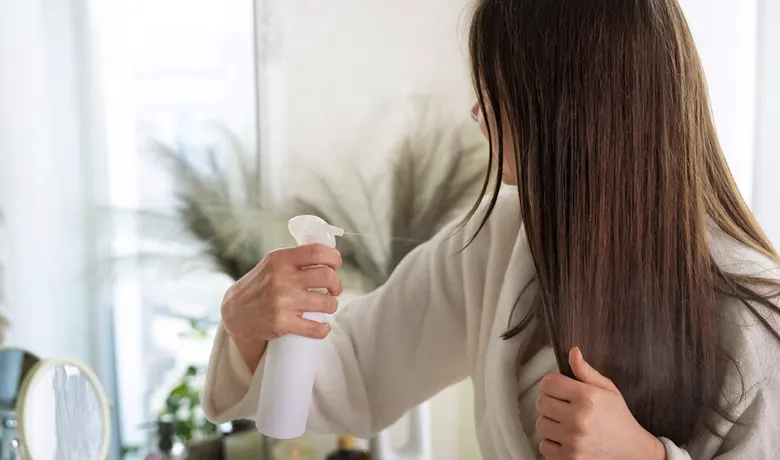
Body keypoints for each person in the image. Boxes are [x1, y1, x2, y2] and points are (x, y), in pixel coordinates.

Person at [203, 0, 780, 458]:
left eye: (497, 92)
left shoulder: (757, 320)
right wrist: (250, 325)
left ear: (568, 111)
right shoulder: (498, 240)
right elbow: (359, 367)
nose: (478, 113)